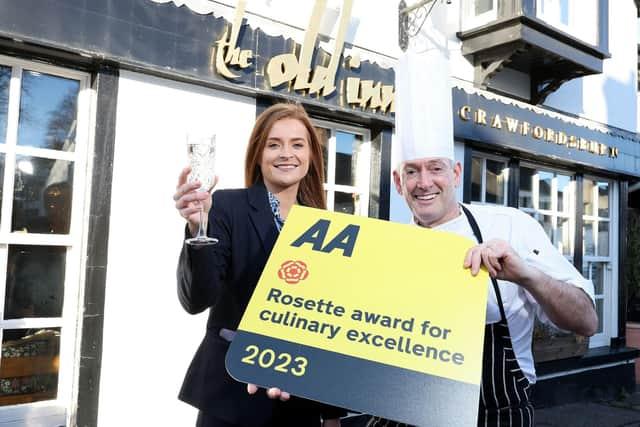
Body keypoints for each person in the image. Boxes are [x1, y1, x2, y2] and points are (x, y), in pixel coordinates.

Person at [365, 49, 598, 427]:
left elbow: (587, 321)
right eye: (411, 171)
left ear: (455, 173)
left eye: (435, 169)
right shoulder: (390, 249)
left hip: (495, 412)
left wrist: (526, 275)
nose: (424, 183)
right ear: (397, 181)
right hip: (410, 410)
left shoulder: (509, 225)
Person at [173, 103, 343, 427]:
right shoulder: (224, 206)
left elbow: (329, 324)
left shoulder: (327, 227)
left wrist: (331, 414)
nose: (286, 154)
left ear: (311, 156)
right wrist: (198, 229)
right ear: (258, 153)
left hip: (299, 402)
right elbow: (197, 299)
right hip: (231, 398)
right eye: (274, 144)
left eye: (297, 144)